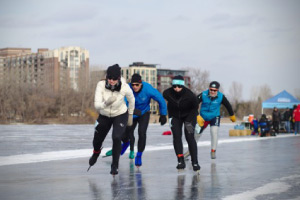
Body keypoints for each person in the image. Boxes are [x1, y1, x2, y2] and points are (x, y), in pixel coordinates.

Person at [105, 73, 167, 167]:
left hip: (144, 113)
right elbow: (123, 102)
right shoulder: (127, 88)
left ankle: (139, 155)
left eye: (137, 85)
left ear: (141, 84)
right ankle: (125, 143)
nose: (134, 87)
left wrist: (163, 114)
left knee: (142, 133)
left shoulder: (148, 89)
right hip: (131, 113)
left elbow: (160, 99)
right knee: (124, 133)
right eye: (133, 84)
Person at [88, 64, 135, 175]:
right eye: (109, 78)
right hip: (104, 115)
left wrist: (131, 115)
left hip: (120, 114)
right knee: (97, 140)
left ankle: (115, 165)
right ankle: (96, 152)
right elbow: (97, 105)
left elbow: (132, 100)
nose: (111, 81)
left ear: (118, 78)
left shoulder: (124, 87)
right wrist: (106, 103)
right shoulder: (100, 85)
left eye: (114, 79)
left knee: (117, 137)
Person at [188, 81, 236, 159]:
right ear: (209, 89)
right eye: (211, 90)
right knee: (196, 134)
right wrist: (197, 116)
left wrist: (232, 115)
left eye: (214, 90)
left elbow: (228, 105)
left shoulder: (221, 97)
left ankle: (213, 151)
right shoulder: (203, 94)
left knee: (214, 132)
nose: (212, 92)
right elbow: (194, 104)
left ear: (217, 90)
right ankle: (190, 151)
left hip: (214, 116)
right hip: (203, 117)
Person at [163, 75, 200, 172]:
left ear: (183, 86)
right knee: (176, 136)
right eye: (174, 86)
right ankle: (180, 160)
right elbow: (163, 97)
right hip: (175, 117)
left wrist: (194, 119)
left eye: (179, 86)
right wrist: (163, 114)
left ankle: (194, 162)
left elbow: (195, 107)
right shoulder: (167, 93)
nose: (176, 88)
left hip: (189, 117)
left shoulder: (190, 95)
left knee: (189, 136)